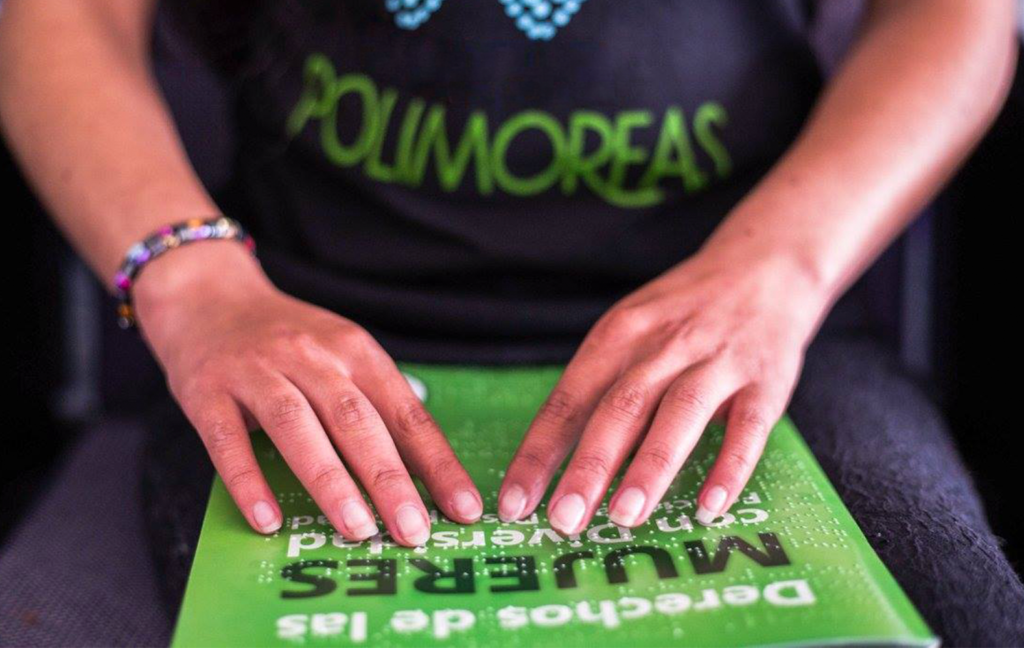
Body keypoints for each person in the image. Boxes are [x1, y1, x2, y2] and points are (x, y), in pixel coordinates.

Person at [1, 0, 1022, 644]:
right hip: (303, 332)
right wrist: (194, 285)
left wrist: (781, 265)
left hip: (751, 319)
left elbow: (951, 11)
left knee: (952, 616)